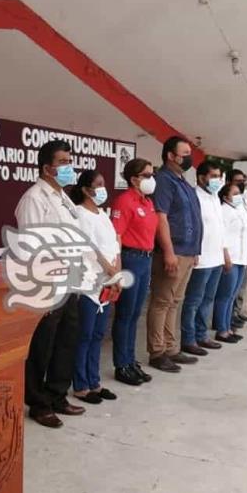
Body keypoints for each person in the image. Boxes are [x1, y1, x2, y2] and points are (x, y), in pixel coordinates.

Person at [15, 140, 86, 428]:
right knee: (41, 345)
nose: (70, 167)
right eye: (63, 162)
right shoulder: (34, 198)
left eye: (70, 160)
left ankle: (57, 394)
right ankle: (38, 403)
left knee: (66, 340)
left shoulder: (64, 197)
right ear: (47, 168)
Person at [146, 137, 203, 373]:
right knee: (161, 301)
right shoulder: (164, 180)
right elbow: (161, 217)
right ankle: (157, 352)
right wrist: (168, 252)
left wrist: (195, 251)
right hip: (174, 251)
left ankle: (171, 347)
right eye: (185, 152)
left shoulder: (184, 182)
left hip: (188, 251)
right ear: (171, 155)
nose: (189, 156)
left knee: (174, 301)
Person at [69, 170, 120, 403]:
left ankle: (94, 381)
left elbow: (114, 243)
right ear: (85, 189)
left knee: (99, 333)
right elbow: (87, 246)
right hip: (89, 281)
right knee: (85, 334)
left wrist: (116, 271)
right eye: (98, 184)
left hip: (108, 280)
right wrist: (107, 268)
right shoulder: (79, 213)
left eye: (103, 183)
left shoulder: (102, 214)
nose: (102, 189)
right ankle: (80, 385)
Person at [110, 158, 158, 385]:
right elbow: (116, 237)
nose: (151, 179)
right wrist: (117, 268)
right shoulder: (124, 201)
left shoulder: (147, 202)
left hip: (145, 259)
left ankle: (130, 360)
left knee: (135, 314)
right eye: (147, 175)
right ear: (134, 179)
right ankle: (121, 364)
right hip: (130, 259)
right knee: (125, 314)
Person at [180, 161, 227, 357]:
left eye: (218, 176)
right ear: (201, 177)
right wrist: (194, 252)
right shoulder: (194, 196)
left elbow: (220, 227)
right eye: (213, 176)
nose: (217, 180)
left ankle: (202, 334)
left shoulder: (215, 197)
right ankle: (188, 339)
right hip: (201, 258)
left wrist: (224, 253)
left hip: (216, 257)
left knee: (208, 299)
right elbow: (191, 226)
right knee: (193, 301)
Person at [213, 183, 247, 343]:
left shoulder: (238, 210)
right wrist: (225, 256)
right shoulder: (224, 211)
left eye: (239, 193)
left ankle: (228, 327)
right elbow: (221, 236)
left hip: (241, 257)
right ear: (225, 197)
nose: (238, 196)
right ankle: (221, 330)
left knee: (232, 295)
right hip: (231, 257)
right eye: (234, 193)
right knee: (225, 295)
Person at [227, 169, 247, 327]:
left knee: (240, 286)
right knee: (230, 290)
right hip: (233, 253)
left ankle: (236, 312)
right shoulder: (229, 204)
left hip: (245, 251)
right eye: (238, 181)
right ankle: (227, 318)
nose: (242, 183)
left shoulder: (244, 200)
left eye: (243, 180)